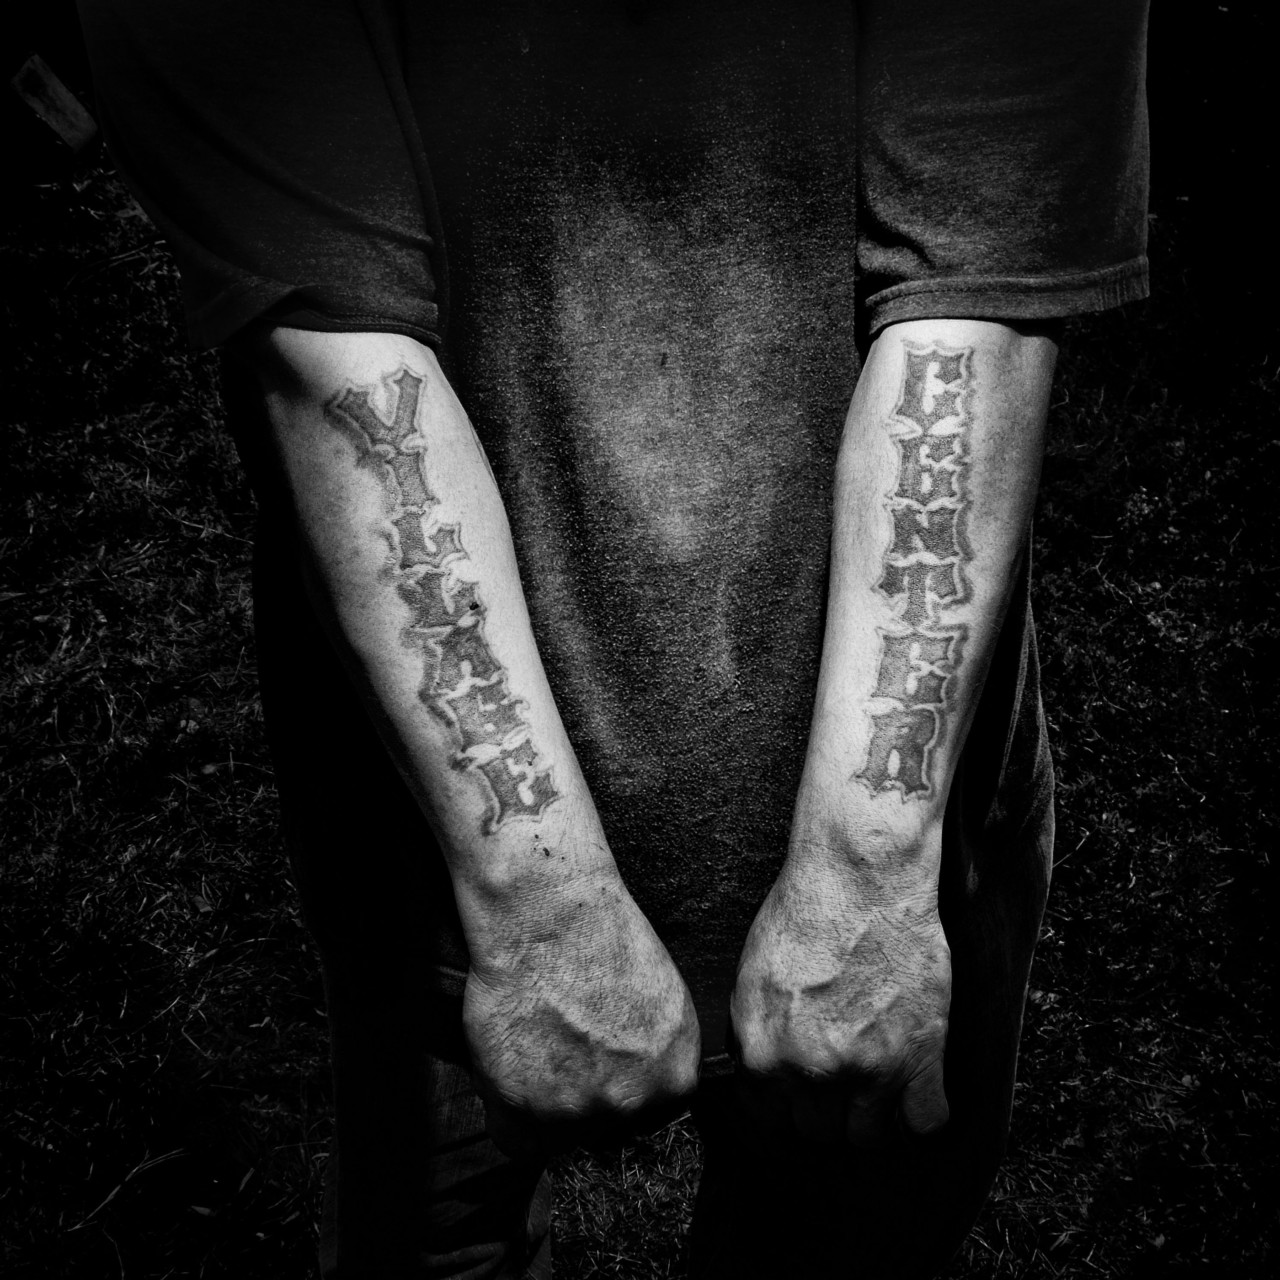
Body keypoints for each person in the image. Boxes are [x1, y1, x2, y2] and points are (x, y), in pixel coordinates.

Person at [78, 2, 1150, 1275]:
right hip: (438, 846)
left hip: (902, 818)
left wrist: (867, 866)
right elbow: (336, 359)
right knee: (435, 1239)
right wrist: (536, 903)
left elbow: (975, 287)